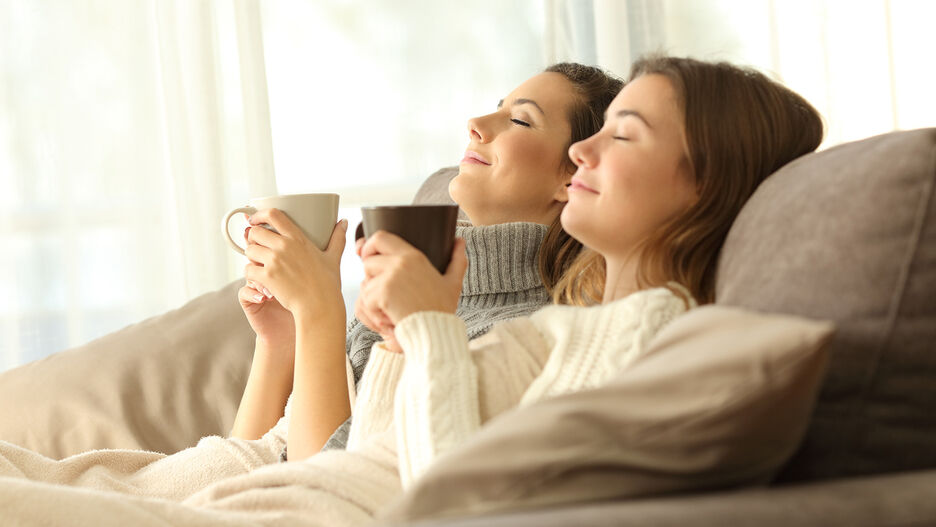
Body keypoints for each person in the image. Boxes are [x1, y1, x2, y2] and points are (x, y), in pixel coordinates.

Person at [0, 56, 823, 525]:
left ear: (704, 182)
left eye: (621, 135)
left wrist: (398, 327)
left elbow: (426, 487)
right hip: (264, 489)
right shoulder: (561, 323)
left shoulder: (640, 335)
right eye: (593, 133)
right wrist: (319, 336)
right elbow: (323, 448)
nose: (583, 154)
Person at [0, 62, 622, 493]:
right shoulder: (425, 291)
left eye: (518, 120)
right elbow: (251, 462)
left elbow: (330, 485)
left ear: (575, 174)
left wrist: (322, 307)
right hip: (200, 489)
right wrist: (281, 341)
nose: (477, 124)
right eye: (493, 106)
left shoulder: (524, 333)